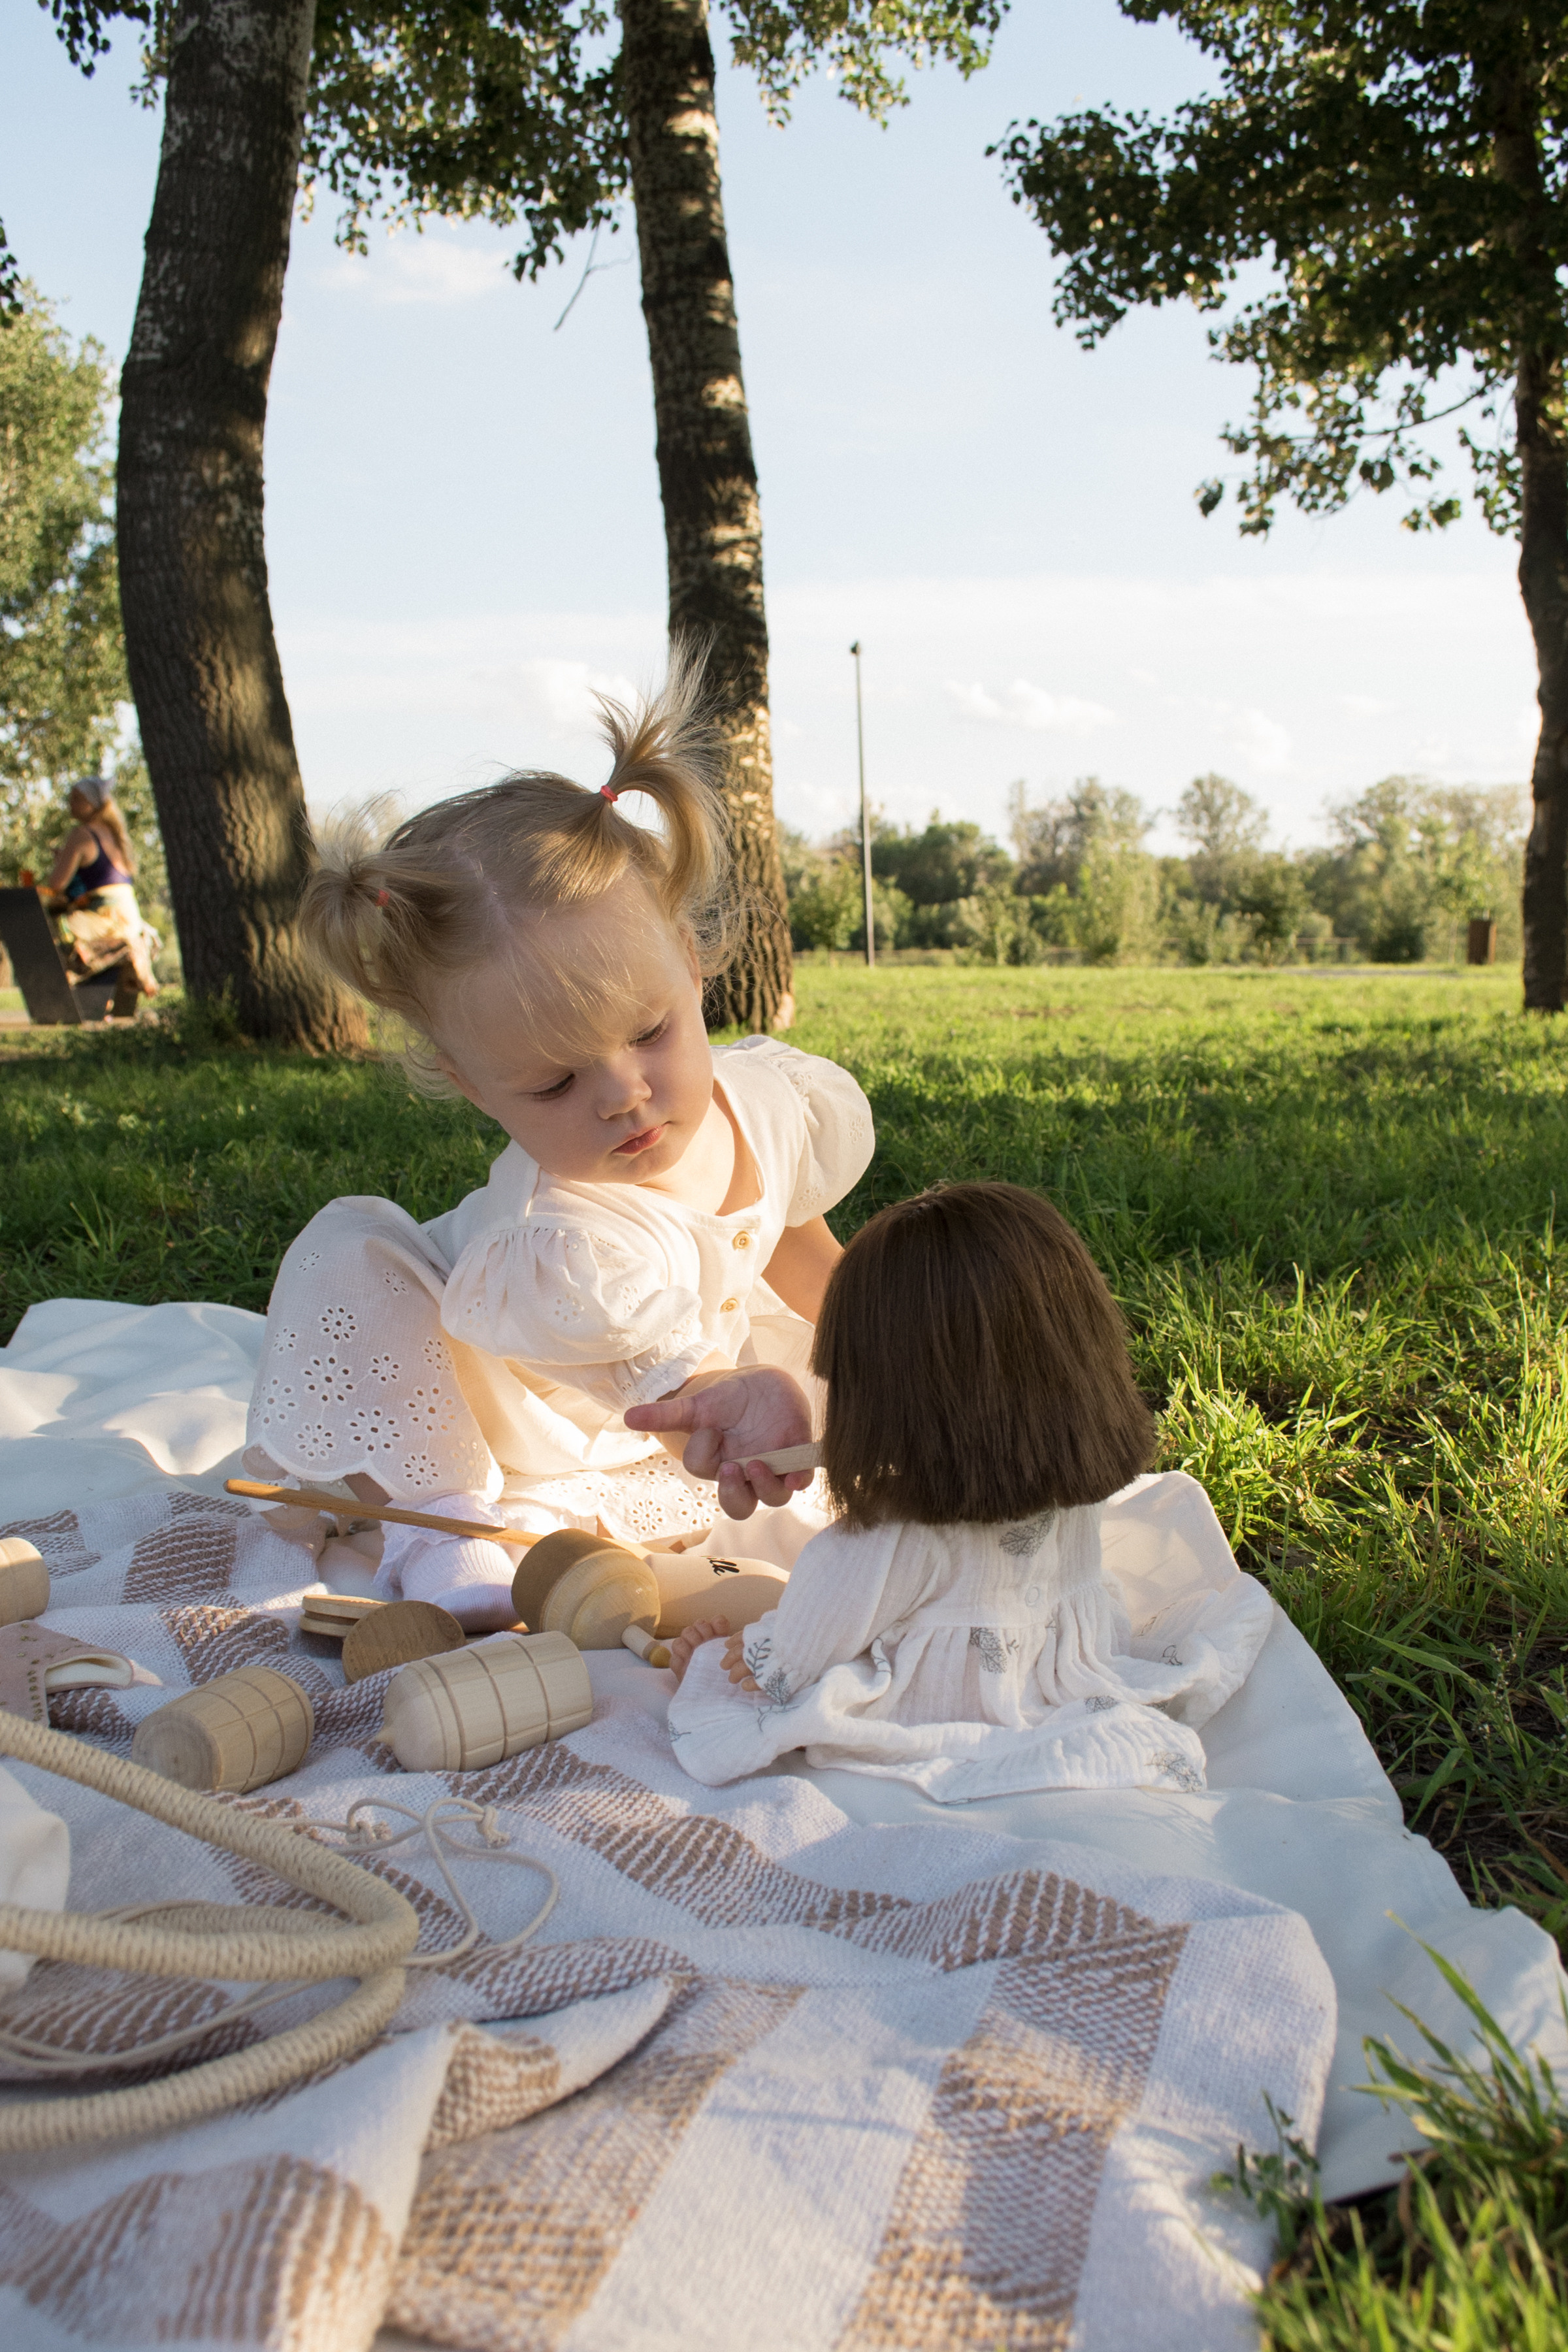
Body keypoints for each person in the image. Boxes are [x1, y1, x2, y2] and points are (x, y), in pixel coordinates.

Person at [244, 652, 874, 1625]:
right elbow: (666, 1390)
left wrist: (885, 1357)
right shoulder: (562, 1228)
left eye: (650, 1032)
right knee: (352, 1264)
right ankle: (435, 1524)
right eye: (553, 1082)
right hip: (515, 1400)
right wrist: (720, 1403)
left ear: (693, 962)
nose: (625, 1095)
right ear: (472, 1085)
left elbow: (798, 1240)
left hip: (649, 1414)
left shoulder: (771, 1100)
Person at [657, 1182, 1272, 1799]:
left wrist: (751, 1658)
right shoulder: (1068, 1499)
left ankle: (703, 1665)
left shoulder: (887, 1542)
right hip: (1062, 1669)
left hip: (945, 1706)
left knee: (733, 1659)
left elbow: (810, 1639)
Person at [42, 776, 160, 1003]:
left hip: (104, 921)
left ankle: (57, 1000)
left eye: (77, 799)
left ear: (93, 803)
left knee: (47, 931)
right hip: (130, 920)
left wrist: (61, 861)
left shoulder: (82, 835)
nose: (70, 803)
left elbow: (56, 884)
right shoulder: (117, 836)